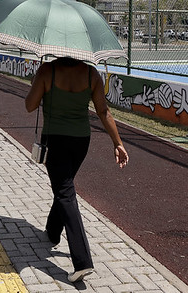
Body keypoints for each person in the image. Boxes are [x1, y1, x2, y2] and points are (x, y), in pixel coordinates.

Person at [24, 57, 129, 283]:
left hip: (55, 140)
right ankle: (52, 231)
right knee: (65, 185)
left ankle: (82, 261)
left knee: (64, 190)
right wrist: (117, 143)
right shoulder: (92, 74)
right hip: (81, 141)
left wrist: (37, 83)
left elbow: (29, 106)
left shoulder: (47, 71)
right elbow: (104, 112)